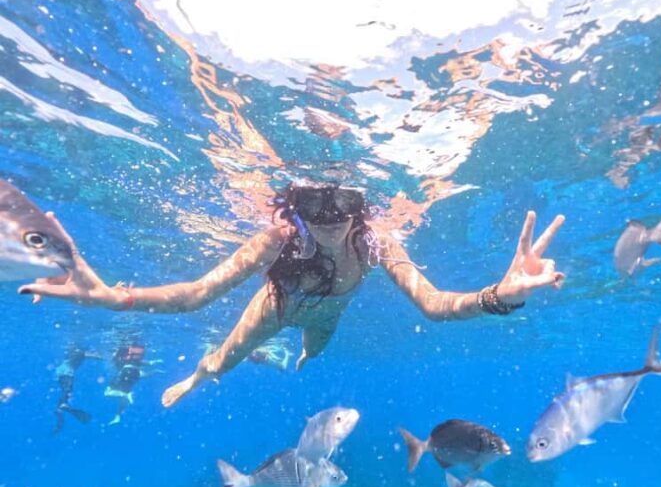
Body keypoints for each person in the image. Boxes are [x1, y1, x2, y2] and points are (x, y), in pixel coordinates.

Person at [19, 184, 565, 408]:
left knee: (316, 351)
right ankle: (197, 374)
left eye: (343, 202)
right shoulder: (277, 240)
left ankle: (303, 351)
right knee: (223, 362)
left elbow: (434, 305)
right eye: (313, 203)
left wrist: (503, 294)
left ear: (361, 208)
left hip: (327, 319)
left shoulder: (376, 243)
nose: (328, 217)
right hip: (273, 309)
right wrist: (113, 298)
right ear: (294, 207)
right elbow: (196, 295)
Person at [104, 343, 162, 425]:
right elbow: (144, 365)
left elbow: (117, 361)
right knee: (125, 393)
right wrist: (155, 366)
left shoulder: (122, 355)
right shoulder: (134, 357)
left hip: (125, 372)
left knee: (107, 392)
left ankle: (125, 397)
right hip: (135, 372)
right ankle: (117, 416)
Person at [54, 346, 101, 433]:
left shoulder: (71, 353)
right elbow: (86, 354)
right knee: (67, 392)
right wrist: (101, 357)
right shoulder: (79, 352)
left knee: (65, 392)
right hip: (67, 373)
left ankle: (59, 416)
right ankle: (62, 406)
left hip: (60, 372)